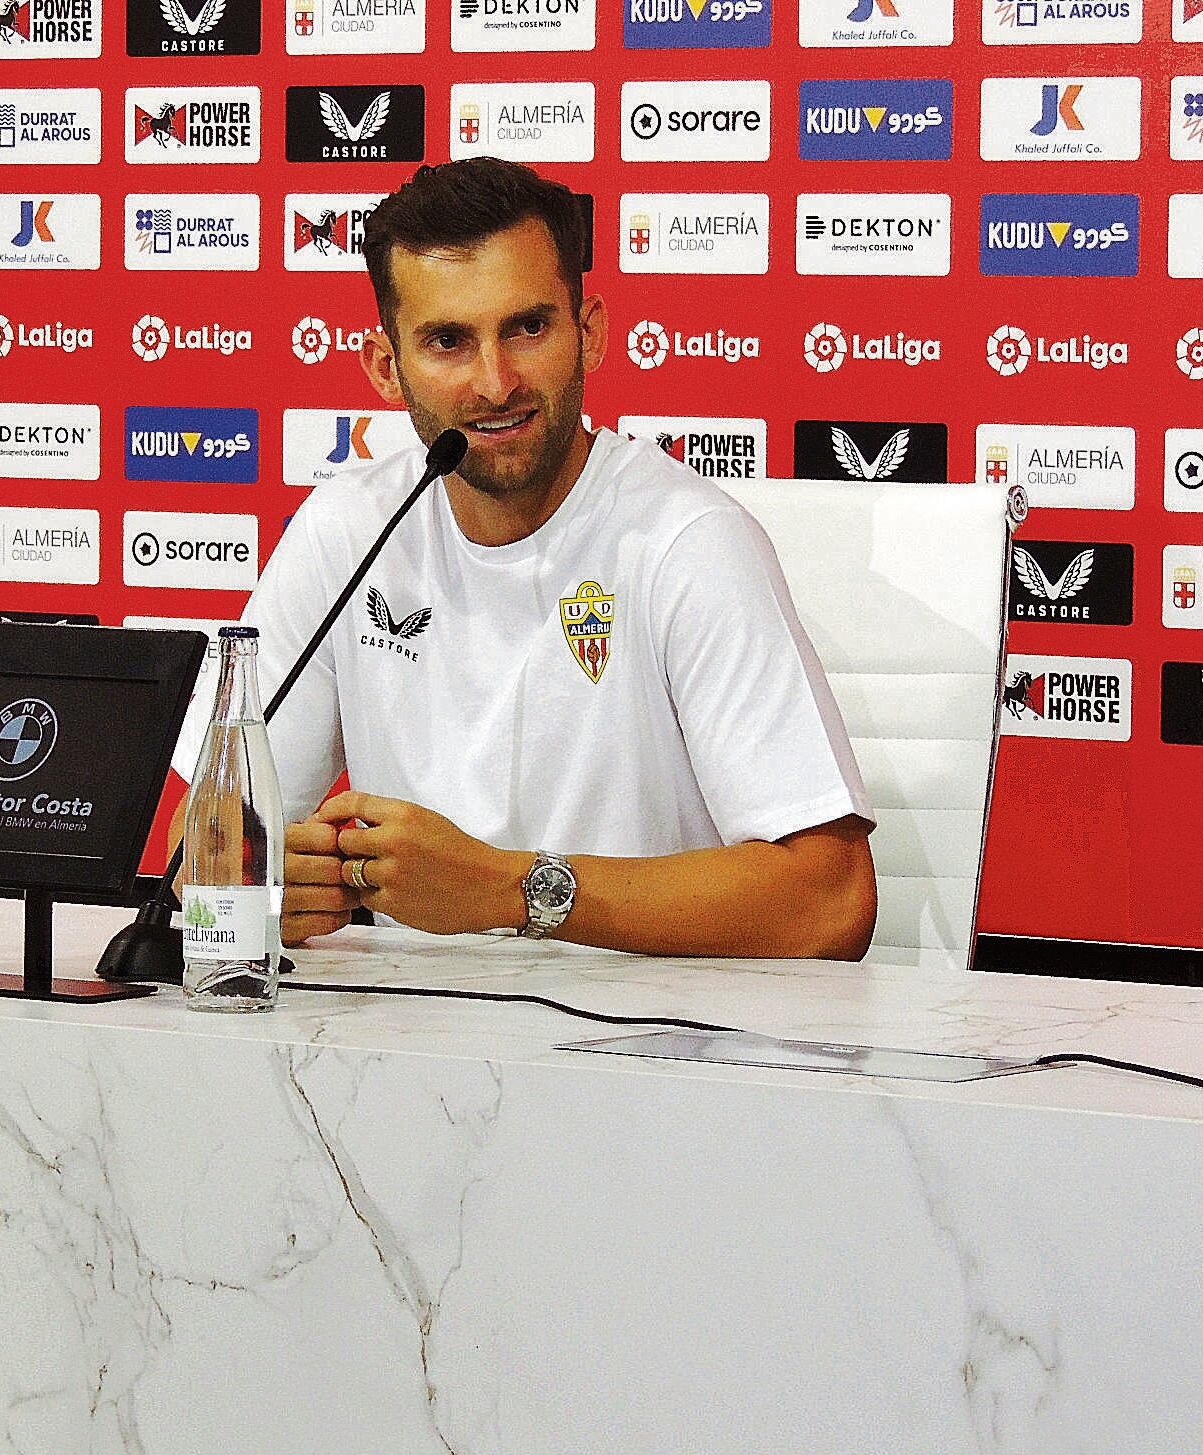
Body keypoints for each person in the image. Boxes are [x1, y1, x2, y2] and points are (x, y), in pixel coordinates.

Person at [179, 156, 878, 958]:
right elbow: (198, 844)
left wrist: (509, 890)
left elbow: (832, 900)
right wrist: (266, 883)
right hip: (406, 1042)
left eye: (528, 327)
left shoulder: (688, 541)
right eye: (447, 341)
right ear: (385, 366)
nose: (494, 381)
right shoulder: (349, 528)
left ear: (591, 333)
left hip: (643, 1047)